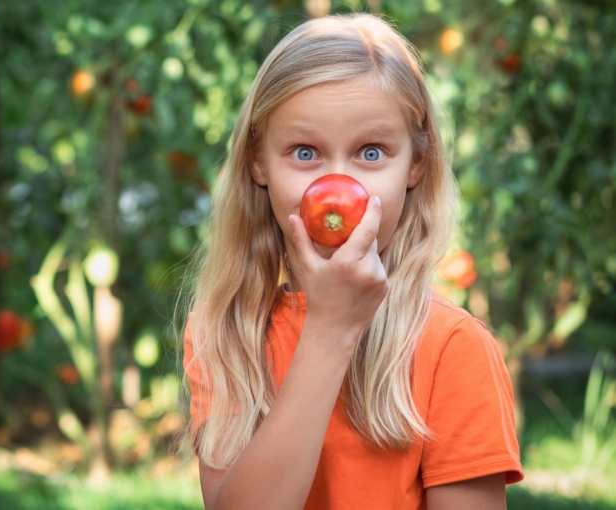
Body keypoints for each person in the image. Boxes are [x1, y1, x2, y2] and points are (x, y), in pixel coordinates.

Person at [181, 13, 524, 510]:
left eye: (370, 152)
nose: (339, 186)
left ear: (416, 164)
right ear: (258, 162)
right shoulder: (225, 333)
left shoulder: (453, 348)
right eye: (304, 152)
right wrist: (328, 330)